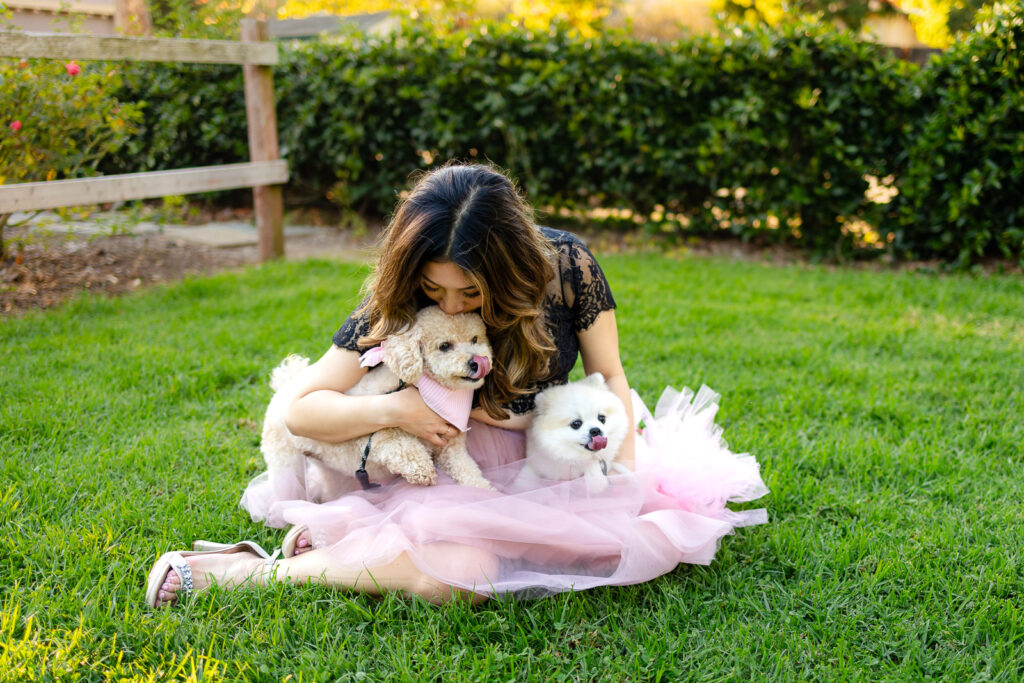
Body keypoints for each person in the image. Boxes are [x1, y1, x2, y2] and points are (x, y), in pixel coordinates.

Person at [147, 163, 768, 608]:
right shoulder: (397, 302)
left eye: (469, 292)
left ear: (511, 269)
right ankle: (255, 572)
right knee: (459, 581)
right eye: (433, 289)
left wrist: (625, 483)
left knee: (628, 545)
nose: (448, 301)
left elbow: (610, 377)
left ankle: (344, 538)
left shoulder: (567, 266)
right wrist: (403, 409)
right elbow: (301, 412)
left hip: (546, 461)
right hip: (447, 472)